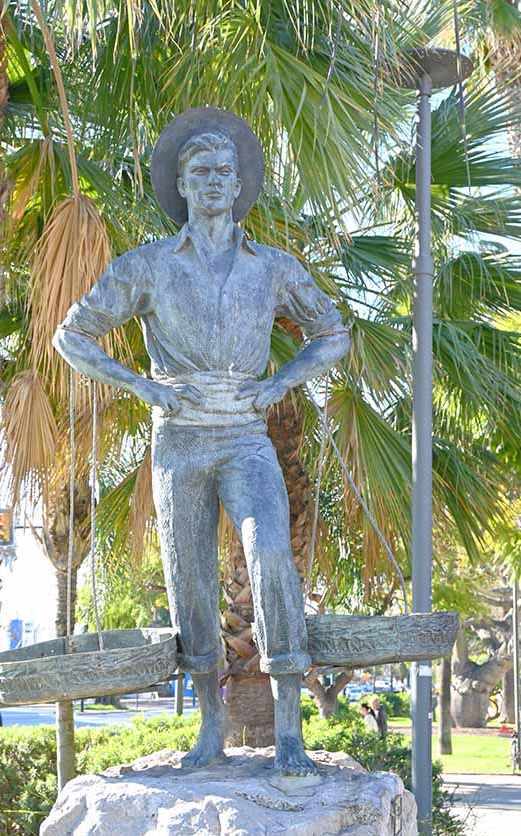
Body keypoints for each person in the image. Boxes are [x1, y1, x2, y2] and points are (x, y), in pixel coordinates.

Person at [54, 108, 350, 776]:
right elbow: (72, 336)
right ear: (181, 185)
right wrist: (143, 386)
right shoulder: (149, 266)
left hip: (246, 437)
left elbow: (332, 334)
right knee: (190, 578)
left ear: (240, 182)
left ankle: (289, 730)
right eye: (200, 172)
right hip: (180, 440)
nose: (215, 180)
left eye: (226, 170)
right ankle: (211, 727)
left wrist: (282, 383)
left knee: (272, 556)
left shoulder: (271, 266)